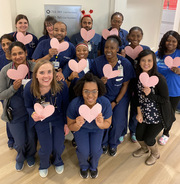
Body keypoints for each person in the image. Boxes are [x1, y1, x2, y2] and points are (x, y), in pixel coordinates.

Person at [91, 35, 135, 156]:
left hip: (120, 97)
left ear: (117, 49)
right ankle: (104, 143)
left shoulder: (125, 64)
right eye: (106, 47)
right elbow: (92, 81)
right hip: (103, 97)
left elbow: (125, 85)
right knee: (103, 119)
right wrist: (100, 81)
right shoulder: (98, 62)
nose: (108, 50)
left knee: (118, 121)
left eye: (112, 48)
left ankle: (113, 143)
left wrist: (115, 102)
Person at [24, 60, 69, 178]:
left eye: (49, 72)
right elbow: (28, 106)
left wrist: (66, 123)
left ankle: (58, 160)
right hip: (41, 119)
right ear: (36, 75)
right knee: (46, 146)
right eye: (42, 72)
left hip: (58, 118)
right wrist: (33, 114)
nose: (46, 76)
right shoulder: (30, 87)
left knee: (58, 145)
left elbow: (65, 106)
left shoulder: (62, 86)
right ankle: (44, 164)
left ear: (54, 73)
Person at [132, 49, 175, 165]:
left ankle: (155, 154)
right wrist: (139, 113)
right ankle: (145, 149)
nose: (146, 63)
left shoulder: (159, 79)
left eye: (149, 60)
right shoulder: (138, 79)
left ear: (154, 62)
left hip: (159, 116)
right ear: (139, 62)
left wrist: (150, 95)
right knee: (138, 135)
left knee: (149, 139)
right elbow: (136, 98)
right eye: (143, 60)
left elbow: (165, 100)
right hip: (145, 114)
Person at [67, 72, 112, 179]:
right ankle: (83, 166)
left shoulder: (105, 103)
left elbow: (108, 123)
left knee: (96, 151)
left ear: (99, 91)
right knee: (83, 151)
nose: (90, 95)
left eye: (94, 91)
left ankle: (93, 167)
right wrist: (77, 124)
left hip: (97, 130)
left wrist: (101, 124)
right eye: (86, 91)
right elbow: (70, 125)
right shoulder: (75, 104)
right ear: (81, 91)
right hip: (81, 130)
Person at [0, 41, 37, 171]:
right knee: (20, 142)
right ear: (10, 56)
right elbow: (1, 95)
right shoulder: (6, 71)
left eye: (20, 53)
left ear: (26, 53)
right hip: (15, 112)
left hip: (32, 111)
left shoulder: (35, 68)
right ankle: (20, 158)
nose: (18, 56)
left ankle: (31, 155)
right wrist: (13, 88)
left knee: (32, 138)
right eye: (14, 54)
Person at [125, 26, 150, 143]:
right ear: (129, 36)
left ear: (142, 37)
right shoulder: (123, 49)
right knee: (123, 108)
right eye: (133, 35)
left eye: (138, 36)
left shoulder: (145, 50)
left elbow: (150, 66)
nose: (135, 38)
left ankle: (133, 131)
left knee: (136, 109)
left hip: (140, 85)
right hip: (125, 84)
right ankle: (121, 131)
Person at [156, 30, 180, 145]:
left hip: (174, 90)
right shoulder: (158, 54)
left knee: (169, 113)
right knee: (158, 111)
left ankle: (166, 133)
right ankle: (155, 129)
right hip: (159, 90)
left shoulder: (179, 53)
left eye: (174, 41)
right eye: (168, 40)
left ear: (177, 42)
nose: (170, 43)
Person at [0, 34, 15, 149]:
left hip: (17, 90)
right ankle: (11, 139)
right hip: (4, 91)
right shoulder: (1, 57)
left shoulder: (18, 56)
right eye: (3, 44)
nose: (5, 47)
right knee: (8, 113)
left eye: (8, 43)